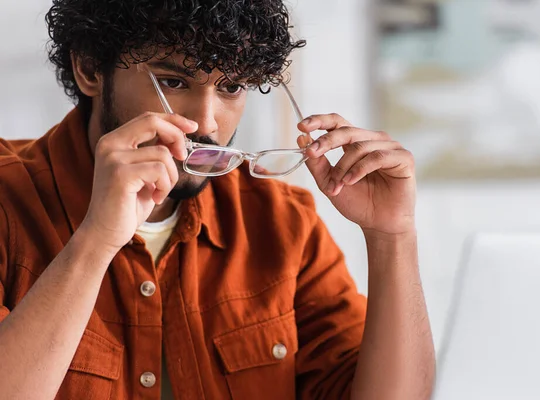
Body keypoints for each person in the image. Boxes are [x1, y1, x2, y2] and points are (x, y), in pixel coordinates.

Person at [0, 0, 435, 399]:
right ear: (90, 68)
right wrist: (95, 241)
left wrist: (391, 236)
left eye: (231, 88)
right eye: (174, 81)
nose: (206, 123)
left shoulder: (282, 222)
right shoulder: (8, 202)